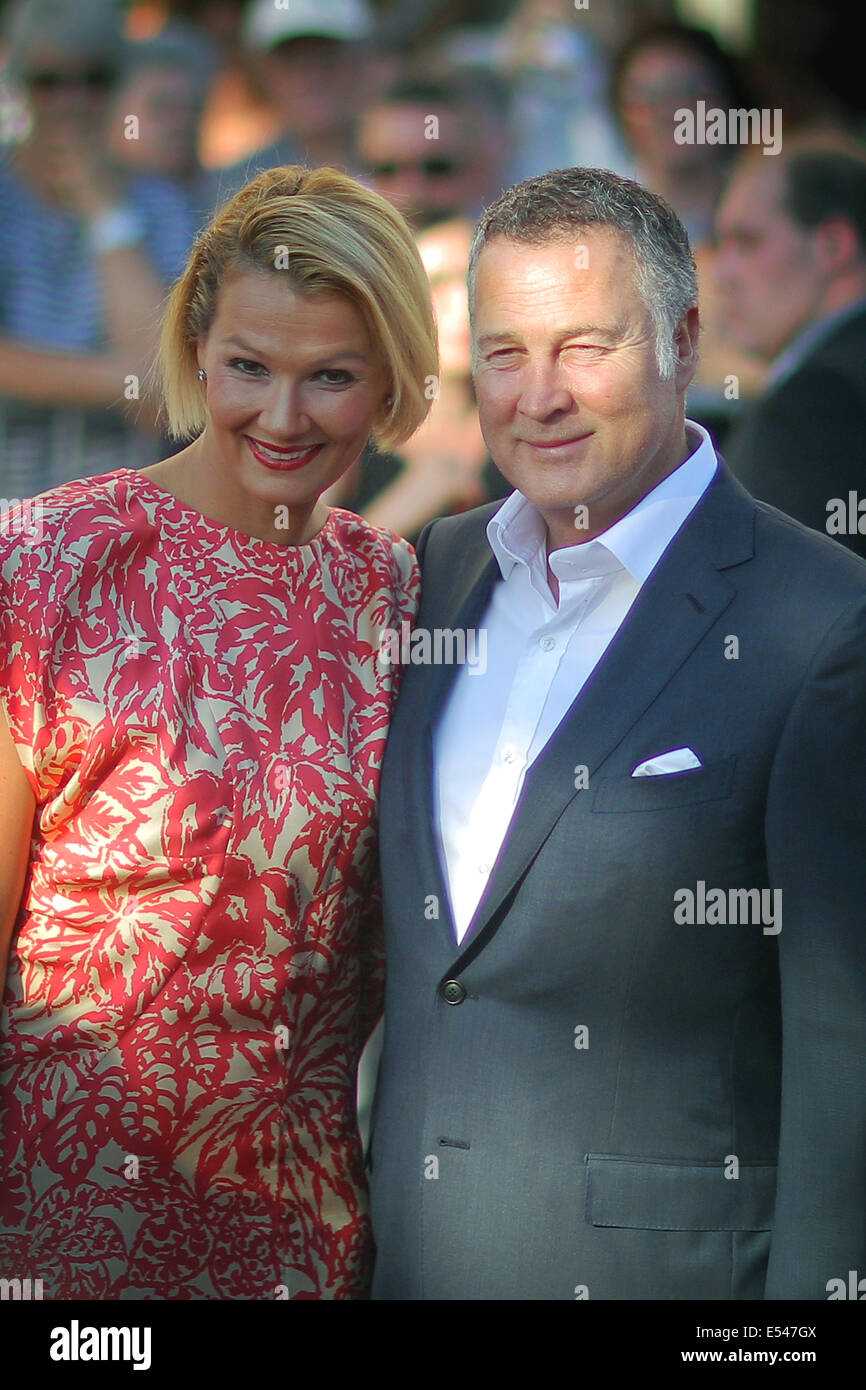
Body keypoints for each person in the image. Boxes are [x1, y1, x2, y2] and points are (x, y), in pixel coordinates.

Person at [368, 166, 866, 1300]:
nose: (536, 395)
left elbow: (844, 1062)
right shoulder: (432, 580)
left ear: (681, 341)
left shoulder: (821, 626)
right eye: (501, 353)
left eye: (582, 347)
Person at [0, 164, 437, 1300]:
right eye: (249, 366)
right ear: (197, 344)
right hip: (58, 1235)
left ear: (390, 379)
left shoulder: (394, 595)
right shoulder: (49, 564)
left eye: (330, 376)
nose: (281, 418)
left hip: (294, 1235)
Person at [0, 0, 198, 496]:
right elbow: (156, 378)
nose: (72, 99)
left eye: (95, 79)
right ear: (21, 84)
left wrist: (106, 215)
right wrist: (125, 379)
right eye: (50, 81)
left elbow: (166, 401)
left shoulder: (162, 208)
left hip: (116, 524)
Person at [716, 146, 866, 558]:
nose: (722, 275)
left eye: (747, 243)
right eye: (720, 245)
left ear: (833, 246)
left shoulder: (813, 404)